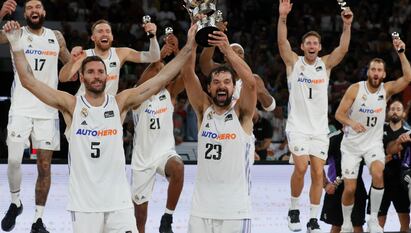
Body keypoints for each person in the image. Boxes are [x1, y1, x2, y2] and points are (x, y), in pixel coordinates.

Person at [2, 20, 197, 233]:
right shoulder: (71, 105)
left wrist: (189, 46)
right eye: (91, 72)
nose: (96, 76)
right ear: (82, 77)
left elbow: (162, 78)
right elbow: (28, 81)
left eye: (100, 71)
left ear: (107, 76)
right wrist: (16, 45)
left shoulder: (120, 102)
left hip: (119, 203)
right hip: (85, 206)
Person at [277, 0, 353, 231]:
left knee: (318, 172)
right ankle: (293, 209)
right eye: (308, 42)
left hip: (320, 129)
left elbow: (343, 49)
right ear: (302, 47)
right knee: (300, 168)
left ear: (319, 47)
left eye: (315, 43)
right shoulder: (294, 62)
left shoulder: (325, 64)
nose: (312, 46)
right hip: (298, 127)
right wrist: (282, 17)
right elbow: (282, 42)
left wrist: (347, 25)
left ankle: (312, 218)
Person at [0, 0, 70, 232]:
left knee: (45, 166)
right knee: (13, 161)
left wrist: (77, 59)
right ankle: (15, 202)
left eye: (37, 7)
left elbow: (68, 67)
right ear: (25, 13)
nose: (34, 11)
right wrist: (0, 15)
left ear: (44, 12)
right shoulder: (15, 32)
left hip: (48, 109)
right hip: (21, 107)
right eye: (29, 8)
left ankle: (38, 220)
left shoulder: (56, 36)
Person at [181, 28, 256, 233]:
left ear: (233, 88)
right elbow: (187, 74)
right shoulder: (203, 110)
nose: (221, 86)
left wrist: (226, 49)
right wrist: (192, 41)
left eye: (226, 82)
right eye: (215, 82)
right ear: (209, 88)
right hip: (201, 210)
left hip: (235, 212)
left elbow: (250, 83)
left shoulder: (242, 114)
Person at [335, 37, 411, 232]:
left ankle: (373, 220)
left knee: (378, 174)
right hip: (351, 145)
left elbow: (408, 77)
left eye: (379, 70)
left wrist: (401, 53)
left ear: (384, 74)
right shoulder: (355, 89)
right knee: (350, 189)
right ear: (368, 72)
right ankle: (346, 222)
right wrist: (353, 123)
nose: (376, 73)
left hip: (372, 145)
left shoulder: (386, 91)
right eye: (373, 69)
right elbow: (338, 114)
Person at [131, 33, 185, 233]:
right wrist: (159, 57)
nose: (161, 74)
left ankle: (167, 218)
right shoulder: (136, 97)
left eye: (163, 72)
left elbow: (186, 75)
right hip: (142, 158)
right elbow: (150, 72)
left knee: (178, 168)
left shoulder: (169, 94)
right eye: (156, 72)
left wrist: (178, 51)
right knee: (139, 217)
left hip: (164, 153)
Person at [59, 19, 160, 95]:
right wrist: (72, 61)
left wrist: (152, 36)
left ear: (112, 37)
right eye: (100, 31)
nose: (104, 34)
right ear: (93, 38)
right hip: (83, 107)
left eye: (108, 31)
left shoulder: (121, 53)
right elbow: (63, 78)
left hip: (107, 109)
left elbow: (154, 57)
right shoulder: (84, 55)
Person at [366, 100, 411, 232]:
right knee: (377, 224)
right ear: (387, 112)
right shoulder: (377, 131)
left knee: (405, 221)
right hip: (380, 182)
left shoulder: (408, 133)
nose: (395, 111)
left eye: (398, 109)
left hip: (401, 183)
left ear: (403, 113)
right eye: (392, 108)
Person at [320, 130, 367, 233]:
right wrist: (325, 184)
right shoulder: (333, 138)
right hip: (336, 188)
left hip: (357, 187)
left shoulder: (365, 138)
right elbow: (317, 162)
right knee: (336, 227)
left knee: (357, 227)